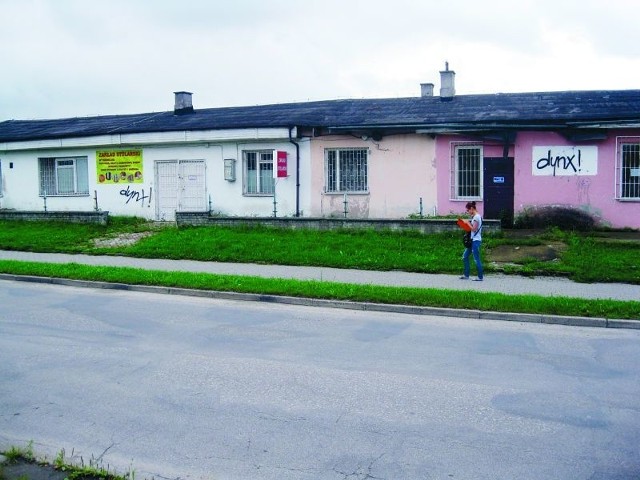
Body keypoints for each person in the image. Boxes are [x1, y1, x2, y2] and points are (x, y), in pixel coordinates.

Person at [460, 201, 484, 281]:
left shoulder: (477, 217)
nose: (468, 212)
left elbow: (474, 229)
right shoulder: (475, 217)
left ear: (471, 208)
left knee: (476, 259)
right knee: (465, 256)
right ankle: (466, 275)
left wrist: (467, 223)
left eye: (468, 210)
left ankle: (480, 277)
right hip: (472, 240)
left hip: (476, 241)